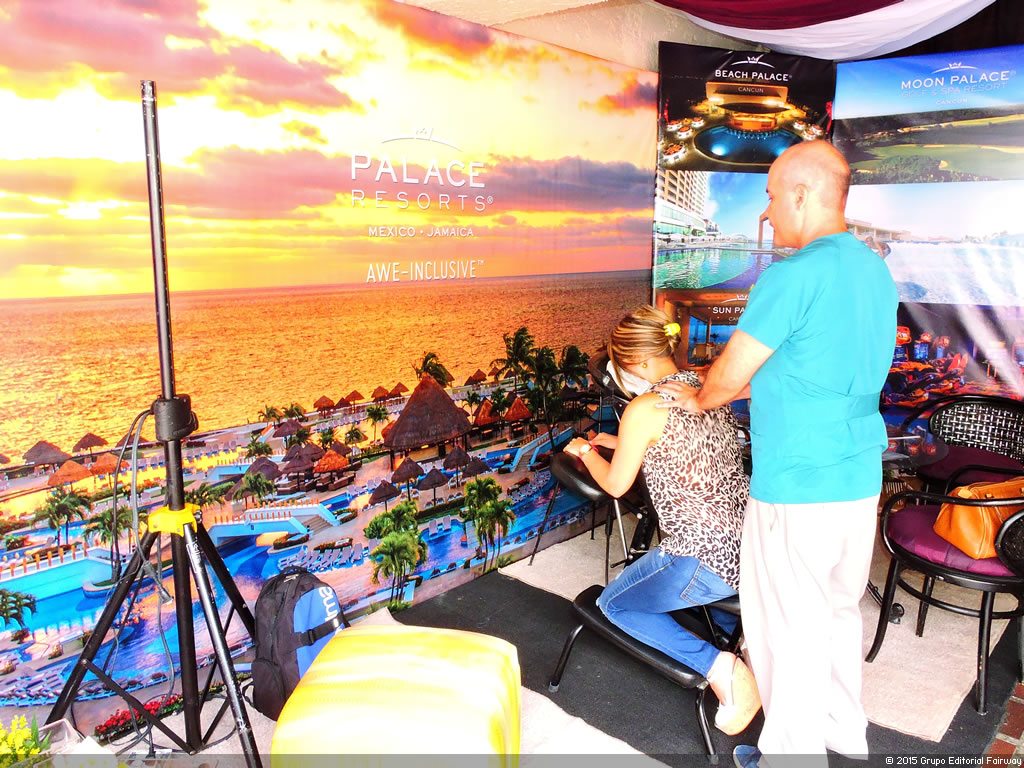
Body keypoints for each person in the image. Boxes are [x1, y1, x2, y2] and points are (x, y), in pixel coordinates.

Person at [655, 140, 899, 767]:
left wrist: (697, 396)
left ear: (802, 194)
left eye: (769, 195)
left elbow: (732, 375)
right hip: (857, 475)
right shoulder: (873, 269)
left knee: (786, 627)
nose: (765, 211)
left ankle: (791, 756)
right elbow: (812, 360)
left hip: (796, 481)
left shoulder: (791, 275)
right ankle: (843, 732)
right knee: (837, 613)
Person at [562, 304, 760, 736]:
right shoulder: (705, 385)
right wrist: (617, 439)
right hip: (748, 545)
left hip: (700, 557)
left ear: (634, 361)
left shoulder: (644, 407)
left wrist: (586, 451)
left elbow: (616, 485)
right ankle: (739, 642)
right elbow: (679, 445)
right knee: (701, 598)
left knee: (614, 605)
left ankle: (722, 669)